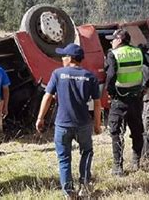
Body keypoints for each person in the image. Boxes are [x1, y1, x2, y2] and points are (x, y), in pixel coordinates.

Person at [35, 43, 101, 198]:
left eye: (63, 56)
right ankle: (84, 186)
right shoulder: (90, 76)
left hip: (63, 124)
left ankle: (69, 192)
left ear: (70, 58)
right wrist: (97, 124)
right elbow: (97, 103)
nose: (62, 59)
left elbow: (48, 97)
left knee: (64, 158)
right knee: (87, 152)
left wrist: (40, 118)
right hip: (83, 123)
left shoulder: (58, 74)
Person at [104, 29, 149, 176]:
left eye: (113, 39)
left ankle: (118, 167)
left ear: (119, 40)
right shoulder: (138, 52)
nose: (111, 42)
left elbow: (111, 75)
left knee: (116, 132)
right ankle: (136, 162)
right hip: (136, 98)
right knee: (136, 131)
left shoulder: (113, 54)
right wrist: (146, 86)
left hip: (119, 99)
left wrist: (110, 92)